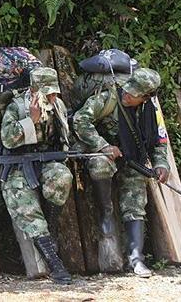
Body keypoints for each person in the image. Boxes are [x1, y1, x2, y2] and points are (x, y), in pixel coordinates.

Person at [73, 67, 169, 277]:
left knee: (136, 194)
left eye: (133, 95)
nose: (127, 95)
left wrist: (162, 164)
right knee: (100, 164)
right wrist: (102, 145)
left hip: (132, 159)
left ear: (145, 98)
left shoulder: (151, 112)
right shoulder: (109, 99)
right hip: (104, 154)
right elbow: (80, 120)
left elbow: (159, 142)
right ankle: (106, 213)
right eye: (127, 90)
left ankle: (136, 259)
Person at [0, 67, 73, 284]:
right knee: (27, 210)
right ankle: (55, 264)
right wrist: (30, 121)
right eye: (47, 92)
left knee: (62, 178)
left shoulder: (57, 106)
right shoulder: (17, 107)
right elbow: (8, 140)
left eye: (54, 92)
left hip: (47, 161)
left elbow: (63, 137)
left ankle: (51, 229)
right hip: (17, 165)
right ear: (34, 90)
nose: (52, 97)